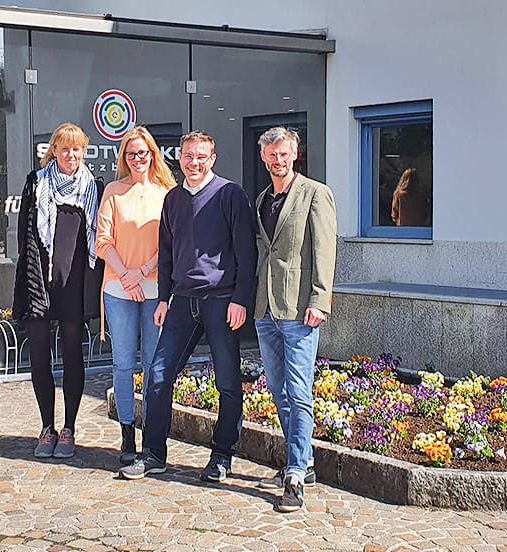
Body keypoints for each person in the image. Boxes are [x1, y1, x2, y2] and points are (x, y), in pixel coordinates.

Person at [120, 131, 257, 482]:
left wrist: (241, 299)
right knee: (159, 376)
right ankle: (153, 454)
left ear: (212, 159)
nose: (193, 163)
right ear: (179, 158)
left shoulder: (230, 195)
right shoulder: (174, 199)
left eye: (201, 157)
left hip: (222, 301)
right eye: (188, 156)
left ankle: (222, 456)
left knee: (227, 382)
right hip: (181, 302)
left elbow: (246, 253)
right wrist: (163, 298)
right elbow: (166, 252)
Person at [252, 127, 337, 512]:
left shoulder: (315, 194)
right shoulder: (262, 200)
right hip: (266, 310)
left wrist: (320, 299)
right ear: (263, 158)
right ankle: (302, 460)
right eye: (271, 154)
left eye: (283, 153)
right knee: (278, 389)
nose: (278, 160)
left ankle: (296, 476)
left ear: (295, 153)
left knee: (300, 391)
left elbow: (325, 249)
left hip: (300, 308)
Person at [13, 123, 104, 459]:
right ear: (53, 151)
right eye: (64, 149)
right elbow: (25, 235)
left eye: (77, 148)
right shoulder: (36, 184)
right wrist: (30, 281)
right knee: (38, 357)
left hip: (73, 287)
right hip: (39, 283)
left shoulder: (93, 187)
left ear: (84, 151)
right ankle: (46, 427)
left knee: (72, 357)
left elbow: (94, 240)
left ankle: (68, 429)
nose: (70, 155)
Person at [96, 126, 176, 465]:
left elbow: (173, 243)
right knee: (122, 364)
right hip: (118, 288)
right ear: (124, 158)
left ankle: (152, 437)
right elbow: (102, 240)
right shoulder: (113, 191)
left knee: (154, 365)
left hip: (156, 288)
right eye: (131, 154)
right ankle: (127, 436)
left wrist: (142, 273)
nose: (138, 158)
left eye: (143, 153)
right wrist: (127, 276)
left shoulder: (168, 193)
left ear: (153, 155)